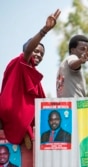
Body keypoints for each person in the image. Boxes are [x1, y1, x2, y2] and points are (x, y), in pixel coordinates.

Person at [0, 9, 61, 147]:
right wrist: (44, 30)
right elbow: (28, 50)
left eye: (42, 54)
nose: (39, 55)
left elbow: (41, 102)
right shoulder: (20, 61)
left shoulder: (32, 73)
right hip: (11, 116)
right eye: (36, 51)